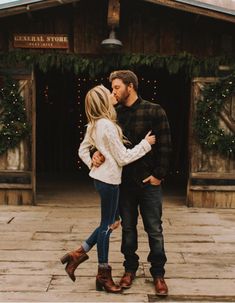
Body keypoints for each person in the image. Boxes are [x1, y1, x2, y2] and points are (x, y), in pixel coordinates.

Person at [60, 84, 156, 294]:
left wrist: (91, 161)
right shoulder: (107, 125)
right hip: (110, 181)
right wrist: (146, 144)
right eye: (109, 93)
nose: (113, 94)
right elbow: (123, 157)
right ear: (103, 101)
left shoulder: (95, 124)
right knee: (107, 226)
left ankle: (77, 254)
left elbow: (82, 149)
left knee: (111, 222)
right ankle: (103, 274)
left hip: (102, 179)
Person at [92, 70, 171, 296]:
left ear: (130, 86)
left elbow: (165, 146)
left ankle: (158, 274)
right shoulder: (112, 115)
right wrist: (96, 153)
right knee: (128, 229)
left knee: (154, 229)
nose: (113, 92)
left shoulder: (154, 110)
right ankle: (129, 269)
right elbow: (103, 143)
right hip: (123, 184)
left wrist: (159, 175)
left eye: (116, 87)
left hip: (149, 183)